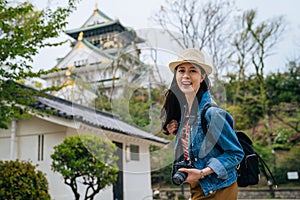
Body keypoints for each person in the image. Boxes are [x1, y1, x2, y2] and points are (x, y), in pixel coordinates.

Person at [161, 48, 244, 200]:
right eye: (181, 71)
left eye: (192, 70)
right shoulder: (184, 113)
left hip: (220, 187)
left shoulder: (212, 114)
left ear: (202, 77)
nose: (186, 76)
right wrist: (178, 131)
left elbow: (236, 153)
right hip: (198, 185)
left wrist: (202, 172)